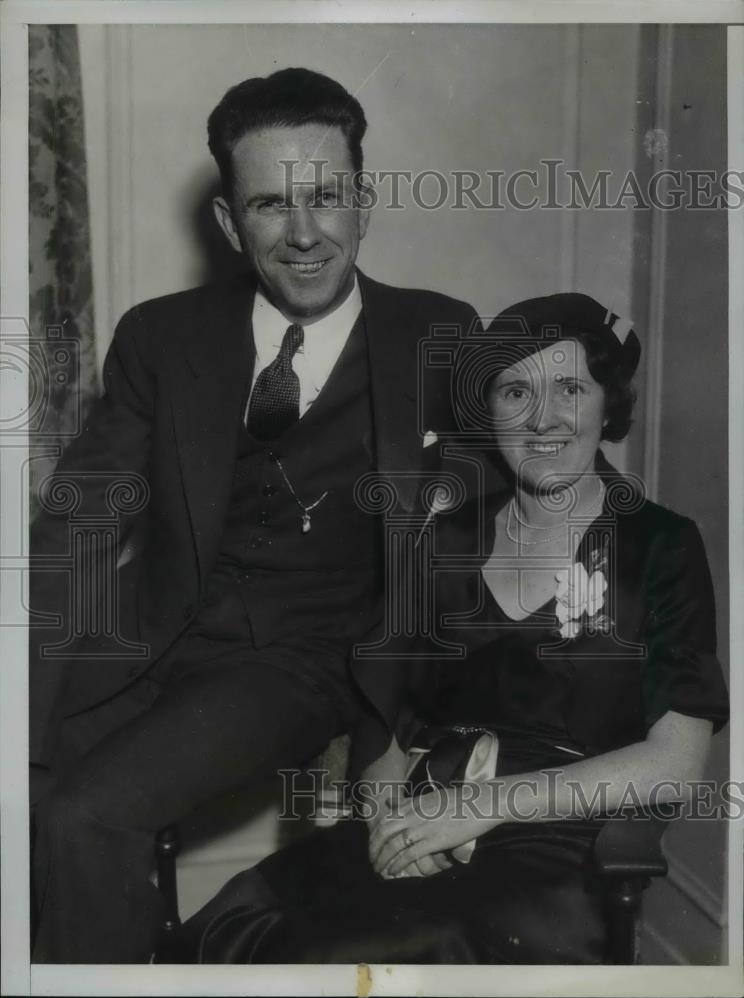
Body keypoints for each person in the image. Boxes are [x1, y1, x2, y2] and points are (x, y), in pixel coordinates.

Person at [28, 67, 479, 963]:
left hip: (303, 658)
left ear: (365, 200)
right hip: (153, 626)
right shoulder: (163, 335)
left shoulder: (440, 334)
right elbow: (80, 524)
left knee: (90, 815)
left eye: (326, 197)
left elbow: (460, 551)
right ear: (232, 224)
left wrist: (390, 728)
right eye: (272, 205)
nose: (305, 234)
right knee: (21, 785)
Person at [179, 292, 729, 964]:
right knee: (240, 919)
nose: (543, 417)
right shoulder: (444, 538)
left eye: (570, 387)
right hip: (422, 815)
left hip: (558, 844)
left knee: (351, 952)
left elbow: (674, 764)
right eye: (514, 391)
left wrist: (481, 807)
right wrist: (390, 827)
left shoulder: (663, 546)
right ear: (488, 413)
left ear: (607, 404)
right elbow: (382, 713)